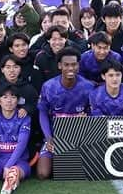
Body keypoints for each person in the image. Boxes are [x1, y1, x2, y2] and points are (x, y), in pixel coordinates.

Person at [37, 48, 94, 180]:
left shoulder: (87, 87)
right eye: (66, 65)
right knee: (42, 174)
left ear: (78, 66)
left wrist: (86, 120)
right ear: (59, 66)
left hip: (79, 136)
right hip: (55, 137)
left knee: (78, 171)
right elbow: (43, 113)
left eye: (74, 64)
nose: (70, 68)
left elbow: (93, 114)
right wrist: (48, 138)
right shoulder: (49, 86)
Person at [0, 87, 33, 194]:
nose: (9, 100)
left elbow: (22, 144)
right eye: (5, 97)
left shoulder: (24, 117)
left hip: (18, 161)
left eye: (13, 97)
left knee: (14, 173)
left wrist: (8, 166)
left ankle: (9, 185)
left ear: (17, 100)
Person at [0, 55, 39, 125]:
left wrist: (27, 109)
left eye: (15, 67)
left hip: (23, 127)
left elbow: (35, 104)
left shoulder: (29, 89)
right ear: (2, 69)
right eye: (8, 67)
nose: (12, 70)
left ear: (20, 69)